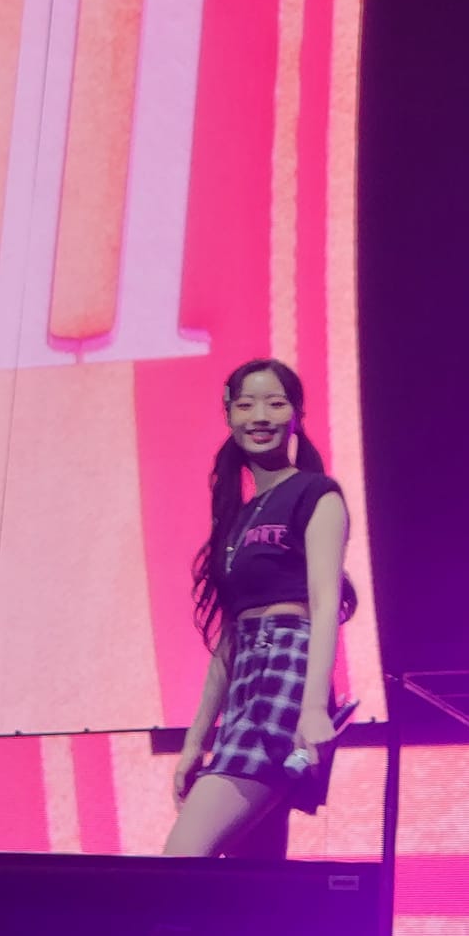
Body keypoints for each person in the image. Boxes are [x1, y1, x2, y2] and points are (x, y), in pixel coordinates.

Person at [164, 358, 354, 857]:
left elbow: (325, 602)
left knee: (182, 857)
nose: (261, 416)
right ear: (229, 415)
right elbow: (229, 638)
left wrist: (314, 709)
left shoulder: (316, 493)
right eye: (246, 405)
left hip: (288, 675)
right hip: (246, 681)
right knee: (254, 876)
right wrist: (195, 741)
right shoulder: (239, 516)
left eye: (275, 403)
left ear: (296, 414)